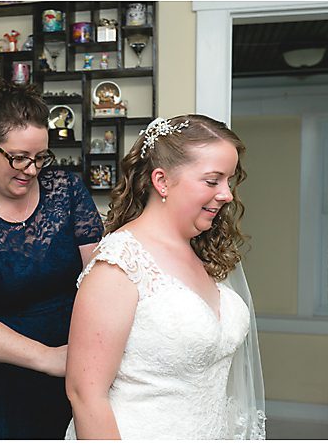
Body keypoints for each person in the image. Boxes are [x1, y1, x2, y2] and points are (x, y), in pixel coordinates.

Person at [63, 115, 266, 439]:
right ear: (162, 181)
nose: (227, 194)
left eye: (229, 180)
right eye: (213, 181)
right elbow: (85, 394)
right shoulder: (119, 264)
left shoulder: (203, 253)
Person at [0, 80, 102, 439]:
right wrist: (48, 358)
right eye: (18, 157)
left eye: (40, 157)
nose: (31, 169)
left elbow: (99, 275)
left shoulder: (66, 190)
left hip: (72, 369)